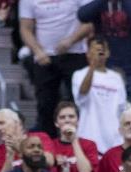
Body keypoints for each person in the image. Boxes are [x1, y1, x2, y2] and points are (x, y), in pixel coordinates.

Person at [18, 0, 89, 134]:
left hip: (75, 53)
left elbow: (89, 23)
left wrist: (70, 41)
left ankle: (82, 141)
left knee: (79, 102)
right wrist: (37, 51)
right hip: (44, 57)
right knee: (45, 105)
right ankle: (48, 146)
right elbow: (25, 28)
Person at [72, 37, 126, 152]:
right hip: (89, 137)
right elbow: (82, 95)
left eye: (103, 50)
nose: (100, 52)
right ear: (88, 53)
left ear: (108, 53)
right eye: (95, 50)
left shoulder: (116, 78)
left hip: (114, 140)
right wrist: (92, 66)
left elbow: (122, 109)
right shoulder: (79, 74)